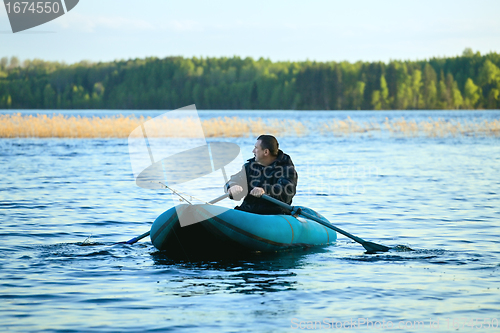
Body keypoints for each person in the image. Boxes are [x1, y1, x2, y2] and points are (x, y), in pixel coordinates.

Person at [225, 135, 298, 215]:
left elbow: (287, 192)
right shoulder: (250, 166)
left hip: (274, 214)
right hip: (247, 212)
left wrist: (265, 190)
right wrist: (232, 186)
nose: (253, 151)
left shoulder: (287, 169)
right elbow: (235, 179)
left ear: (266, 152)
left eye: (256, 148)